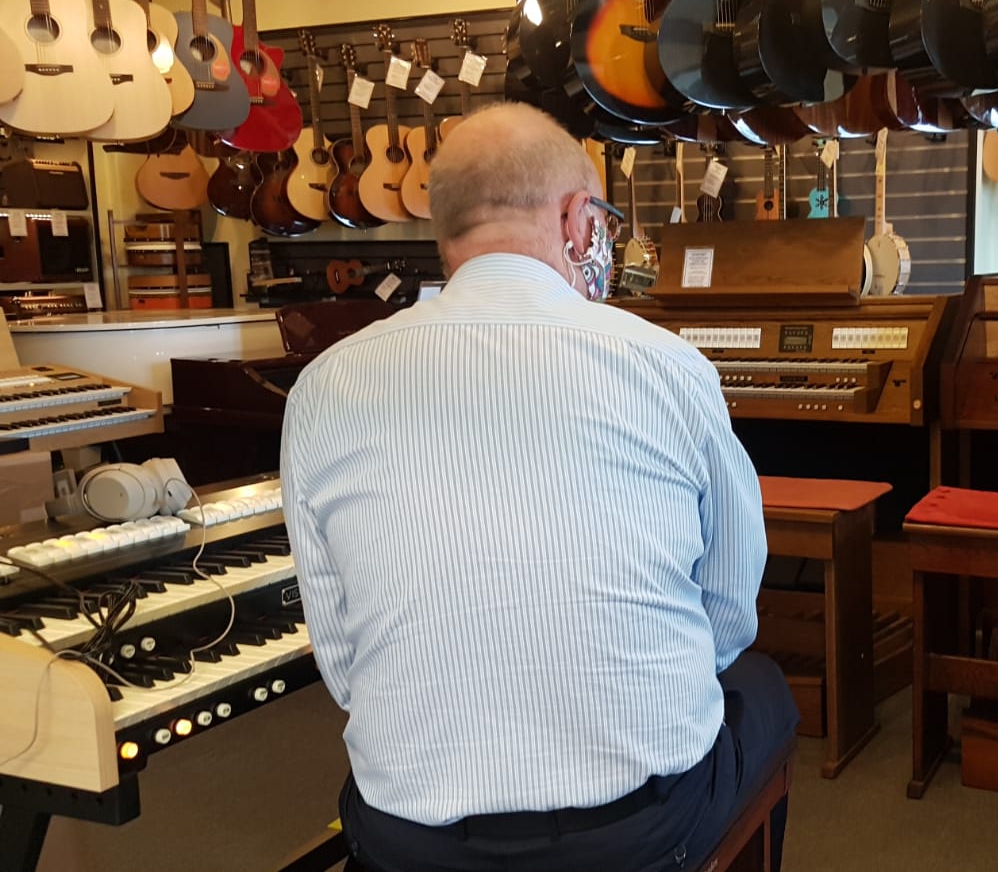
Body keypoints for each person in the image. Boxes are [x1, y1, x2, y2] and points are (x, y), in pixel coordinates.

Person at [280, 102, 798, 872]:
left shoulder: (323, 386)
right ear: (575, 218)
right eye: (603, 225)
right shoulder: (665, 364)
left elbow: (346, 666)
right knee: (764, 688)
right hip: (630, 832)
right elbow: (728, 614)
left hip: (409, 837)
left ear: (441, 224)